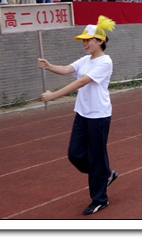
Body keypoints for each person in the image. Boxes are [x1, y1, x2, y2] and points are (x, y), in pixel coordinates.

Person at [37, 15, 119, 216]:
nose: (84, 44)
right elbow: (66, 69)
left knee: (97, 157)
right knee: (75, 154)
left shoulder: (105, 62)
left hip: (98, 115)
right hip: (82, 113)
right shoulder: (85, 60)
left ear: (100, 41)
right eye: (83, 40)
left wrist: (54, 96)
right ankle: (104, 174)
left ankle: (100, 199)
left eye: (88, 40)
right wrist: (49, 66)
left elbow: (82, 82)